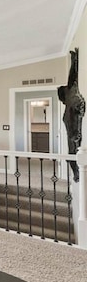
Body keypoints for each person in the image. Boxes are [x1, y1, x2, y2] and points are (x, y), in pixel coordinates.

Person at [57, 48, 85, 182]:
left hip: (73, 133)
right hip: (73, 133)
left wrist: (74, 59)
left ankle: (77, 173)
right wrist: (74, 59)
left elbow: (72, 75)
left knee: (73, 153)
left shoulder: (69, 95)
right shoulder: (69, 98)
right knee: (73, 153)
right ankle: (77, 173)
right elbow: (72, 76)